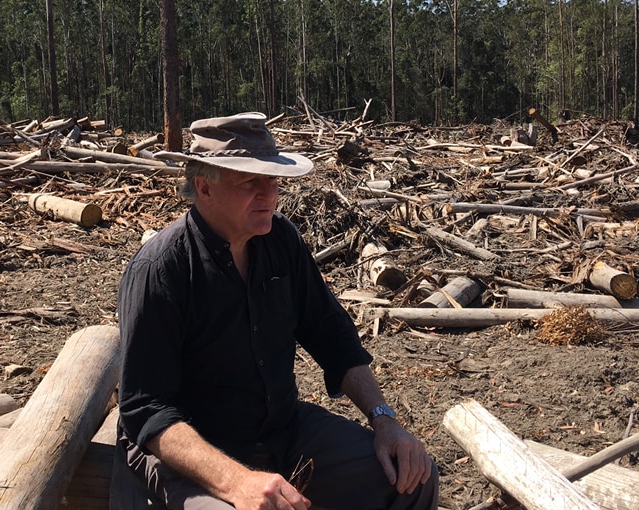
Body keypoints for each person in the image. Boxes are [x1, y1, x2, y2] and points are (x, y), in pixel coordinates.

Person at [112, 112, 439, 510]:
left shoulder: (279, 240)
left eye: (273, 181)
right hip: (190, 450)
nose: (269, 195)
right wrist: (236, 482)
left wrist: (384, 419)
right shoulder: (162, 269)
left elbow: (331, 334)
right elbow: (145, 409)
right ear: (204, 188)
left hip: (280, 430)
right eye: (251, 182)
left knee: (412, 477)